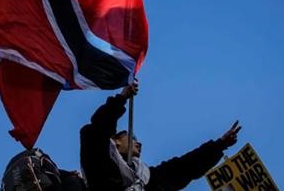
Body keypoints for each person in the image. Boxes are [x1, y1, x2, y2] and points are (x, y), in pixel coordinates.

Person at [80, 81, 241, 191]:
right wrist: (121, 99)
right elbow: (97, 130)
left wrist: (220, 145)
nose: (138, 143)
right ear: (115, 141)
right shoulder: (99, 162)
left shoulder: (149, 178)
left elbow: (186, 166)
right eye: (132, 137)